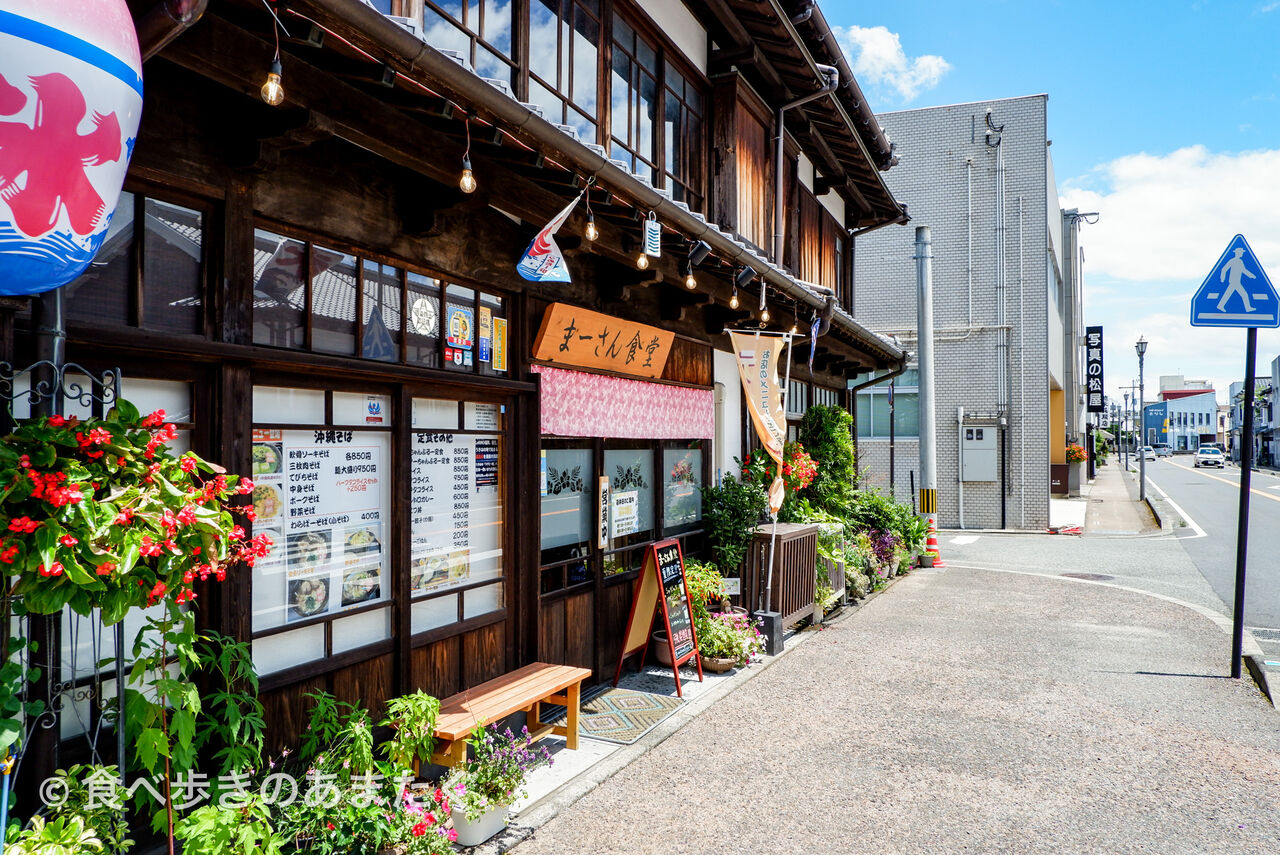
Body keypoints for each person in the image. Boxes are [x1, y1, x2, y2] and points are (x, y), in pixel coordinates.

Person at [1217, 247, 1257, 313]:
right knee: (1244, 294)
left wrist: (1251, 275)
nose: (1242, 254)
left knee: (1228, 294)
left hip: (1236, 281)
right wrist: (1222, 278)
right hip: (1234, 281)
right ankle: (1248, 308)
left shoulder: (1240, 261)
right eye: (1241, 252)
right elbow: (1224, 269)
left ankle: (1220, 305)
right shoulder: (1232, 260)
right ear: (1238, 253)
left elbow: (1243, 270)